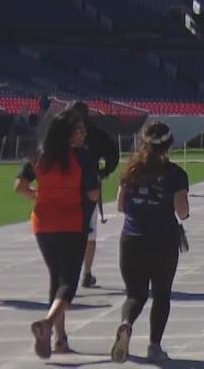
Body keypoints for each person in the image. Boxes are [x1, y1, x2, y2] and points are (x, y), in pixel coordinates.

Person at [15, 110, 101, 359]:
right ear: (69, 134)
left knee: (55, 277)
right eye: (80, 129)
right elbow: (93, 194)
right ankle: (48, 324)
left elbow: (19, 187)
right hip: (72, 223)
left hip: (43, 223)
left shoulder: (39, 156)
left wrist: (39, 195)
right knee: (68, 284)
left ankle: (59, 340)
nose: (84, 133)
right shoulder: (82, 158)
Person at [110, 122, 189, 365]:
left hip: (131, 240)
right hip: (163, 242)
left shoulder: (130, 170)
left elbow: (120, 205)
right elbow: (183, 212)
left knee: (135, 294)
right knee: (162, 295)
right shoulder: (175, 174)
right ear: (169, 144)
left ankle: (126, 324)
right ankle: (154, 346)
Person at [70, 102, 118, 291]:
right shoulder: (97, 133)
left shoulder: (62, 132)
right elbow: (113, 154)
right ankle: (86, 272)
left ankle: (75, 273)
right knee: (89, 234)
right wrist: (104, 172)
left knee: (70, 232)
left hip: (68, 188)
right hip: (88, 189)